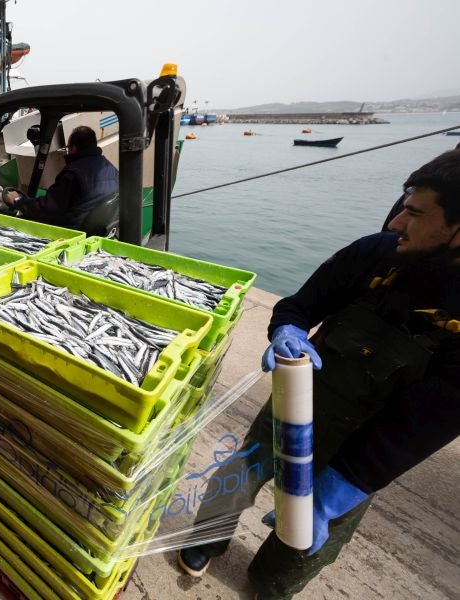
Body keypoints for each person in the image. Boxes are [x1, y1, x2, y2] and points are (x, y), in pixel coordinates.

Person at [177, 149, 460, 598]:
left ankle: (270, 583)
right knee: (239, 476)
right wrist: (287, 328)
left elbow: (425, 423)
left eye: (415, 214)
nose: (395, 224)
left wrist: (339, 491)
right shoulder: (375, 253)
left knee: (304, 536)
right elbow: (300, 303)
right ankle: (205, 541)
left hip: (366, 444)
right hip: (300, 403)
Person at [0, 125, 119, 229]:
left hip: (70, 230)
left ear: (74, 148)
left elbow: (47, 208)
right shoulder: (110, 168)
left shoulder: (73, 175)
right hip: (95, 227)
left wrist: (18, 201)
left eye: (68, 148)